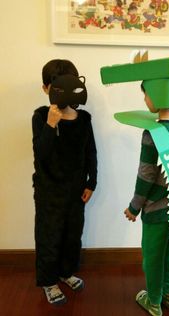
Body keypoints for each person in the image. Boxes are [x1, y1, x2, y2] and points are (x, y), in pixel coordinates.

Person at [32, 59, 97, 305]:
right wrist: (51, 124)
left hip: (76, 190)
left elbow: (91, 151)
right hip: (49, 191)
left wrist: (92, 181)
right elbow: (41, 154)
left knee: (72, 234)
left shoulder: (84, 119)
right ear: (46, 89)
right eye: (55, 86)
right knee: (49, 236)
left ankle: (66, 271)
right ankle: (49, 281)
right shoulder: (40, 117)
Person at [124, 82, 169, 316]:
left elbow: (146, 176)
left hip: (156, 210)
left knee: (152, 257)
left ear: (158, 94)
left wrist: (134, 207)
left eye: (146, 94)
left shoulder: (153, 133)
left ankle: (153, 302)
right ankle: (168, 296)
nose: (144, 100)